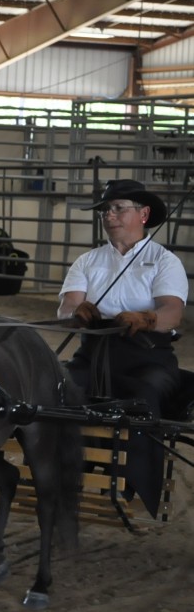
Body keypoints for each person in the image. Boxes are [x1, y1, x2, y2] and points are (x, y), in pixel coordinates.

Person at [57, 179, 187, 517]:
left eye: (119, 208)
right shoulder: (88, 261)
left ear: (143, 214)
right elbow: (67, 307)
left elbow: (172, 311)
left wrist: (146, 318)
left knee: (143, 394)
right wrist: (77, 313)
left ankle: (136, 487)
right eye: (106, 209)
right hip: (94, 354)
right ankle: (62, 476)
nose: (109, 215)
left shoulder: (164, 261)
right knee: (60, 391)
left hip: (147, 355)